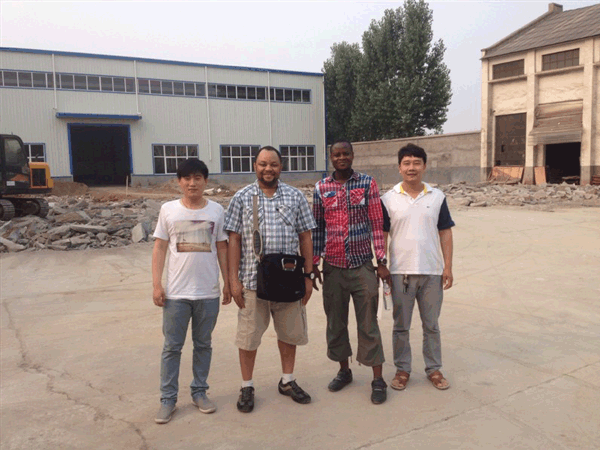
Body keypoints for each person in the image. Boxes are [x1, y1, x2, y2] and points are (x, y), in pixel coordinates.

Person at [224, 146, 316, 413]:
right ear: (255, 166)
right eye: (263, 164)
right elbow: (234, 240)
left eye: (273, 164)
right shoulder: (242, 197)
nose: (268, 169)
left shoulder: (295, 196)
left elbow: (305, 237)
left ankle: (287, 380)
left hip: (289, 281)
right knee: (248, 337)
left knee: (289, 334)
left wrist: (308, 276)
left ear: (280, 167)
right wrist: (233, 280)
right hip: (252, 282)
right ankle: (247, 386)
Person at [152, 158, 230, 424]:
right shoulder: (168, 210)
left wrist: (228, 282)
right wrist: (157, 284)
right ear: (179, 182)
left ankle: (199, 392)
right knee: (172, 347)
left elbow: (222, 247)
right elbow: (160, 247)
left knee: (203, 345)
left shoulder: (216, 210)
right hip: (176, 294)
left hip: (208, 293)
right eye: (187, 178)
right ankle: (167, 400)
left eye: (197, 178)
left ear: (205, 181)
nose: (192, 183)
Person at [312, 140, 390, 404]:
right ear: (331, 157)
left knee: (369, 323)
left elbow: (377, 223)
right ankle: (344, 371)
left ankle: (378, 379)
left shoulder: (367, 183)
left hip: (362, 265)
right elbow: (318, 228)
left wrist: (381, 261)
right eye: (336, 154)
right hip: (333, 267)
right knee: (336, 322)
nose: (341, 158)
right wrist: (314, 263)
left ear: (353, 156)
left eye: (346, 153)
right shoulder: (321, 188)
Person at [381, 143, 454, 392]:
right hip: (400, 272)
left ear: (424, 166)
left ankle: (434, 369)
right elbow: (382, 235)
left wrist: (448, 266)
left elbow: (445, 232)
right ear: (399, 167)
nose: (411, 168)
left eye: (416, 163)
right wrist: (382, 264)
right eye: (406, 163)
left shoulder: (437, 197)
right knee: (401, 326)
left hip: (432, 272)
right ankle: (402, 369)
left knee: (431, 326)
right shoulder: (388, 199)